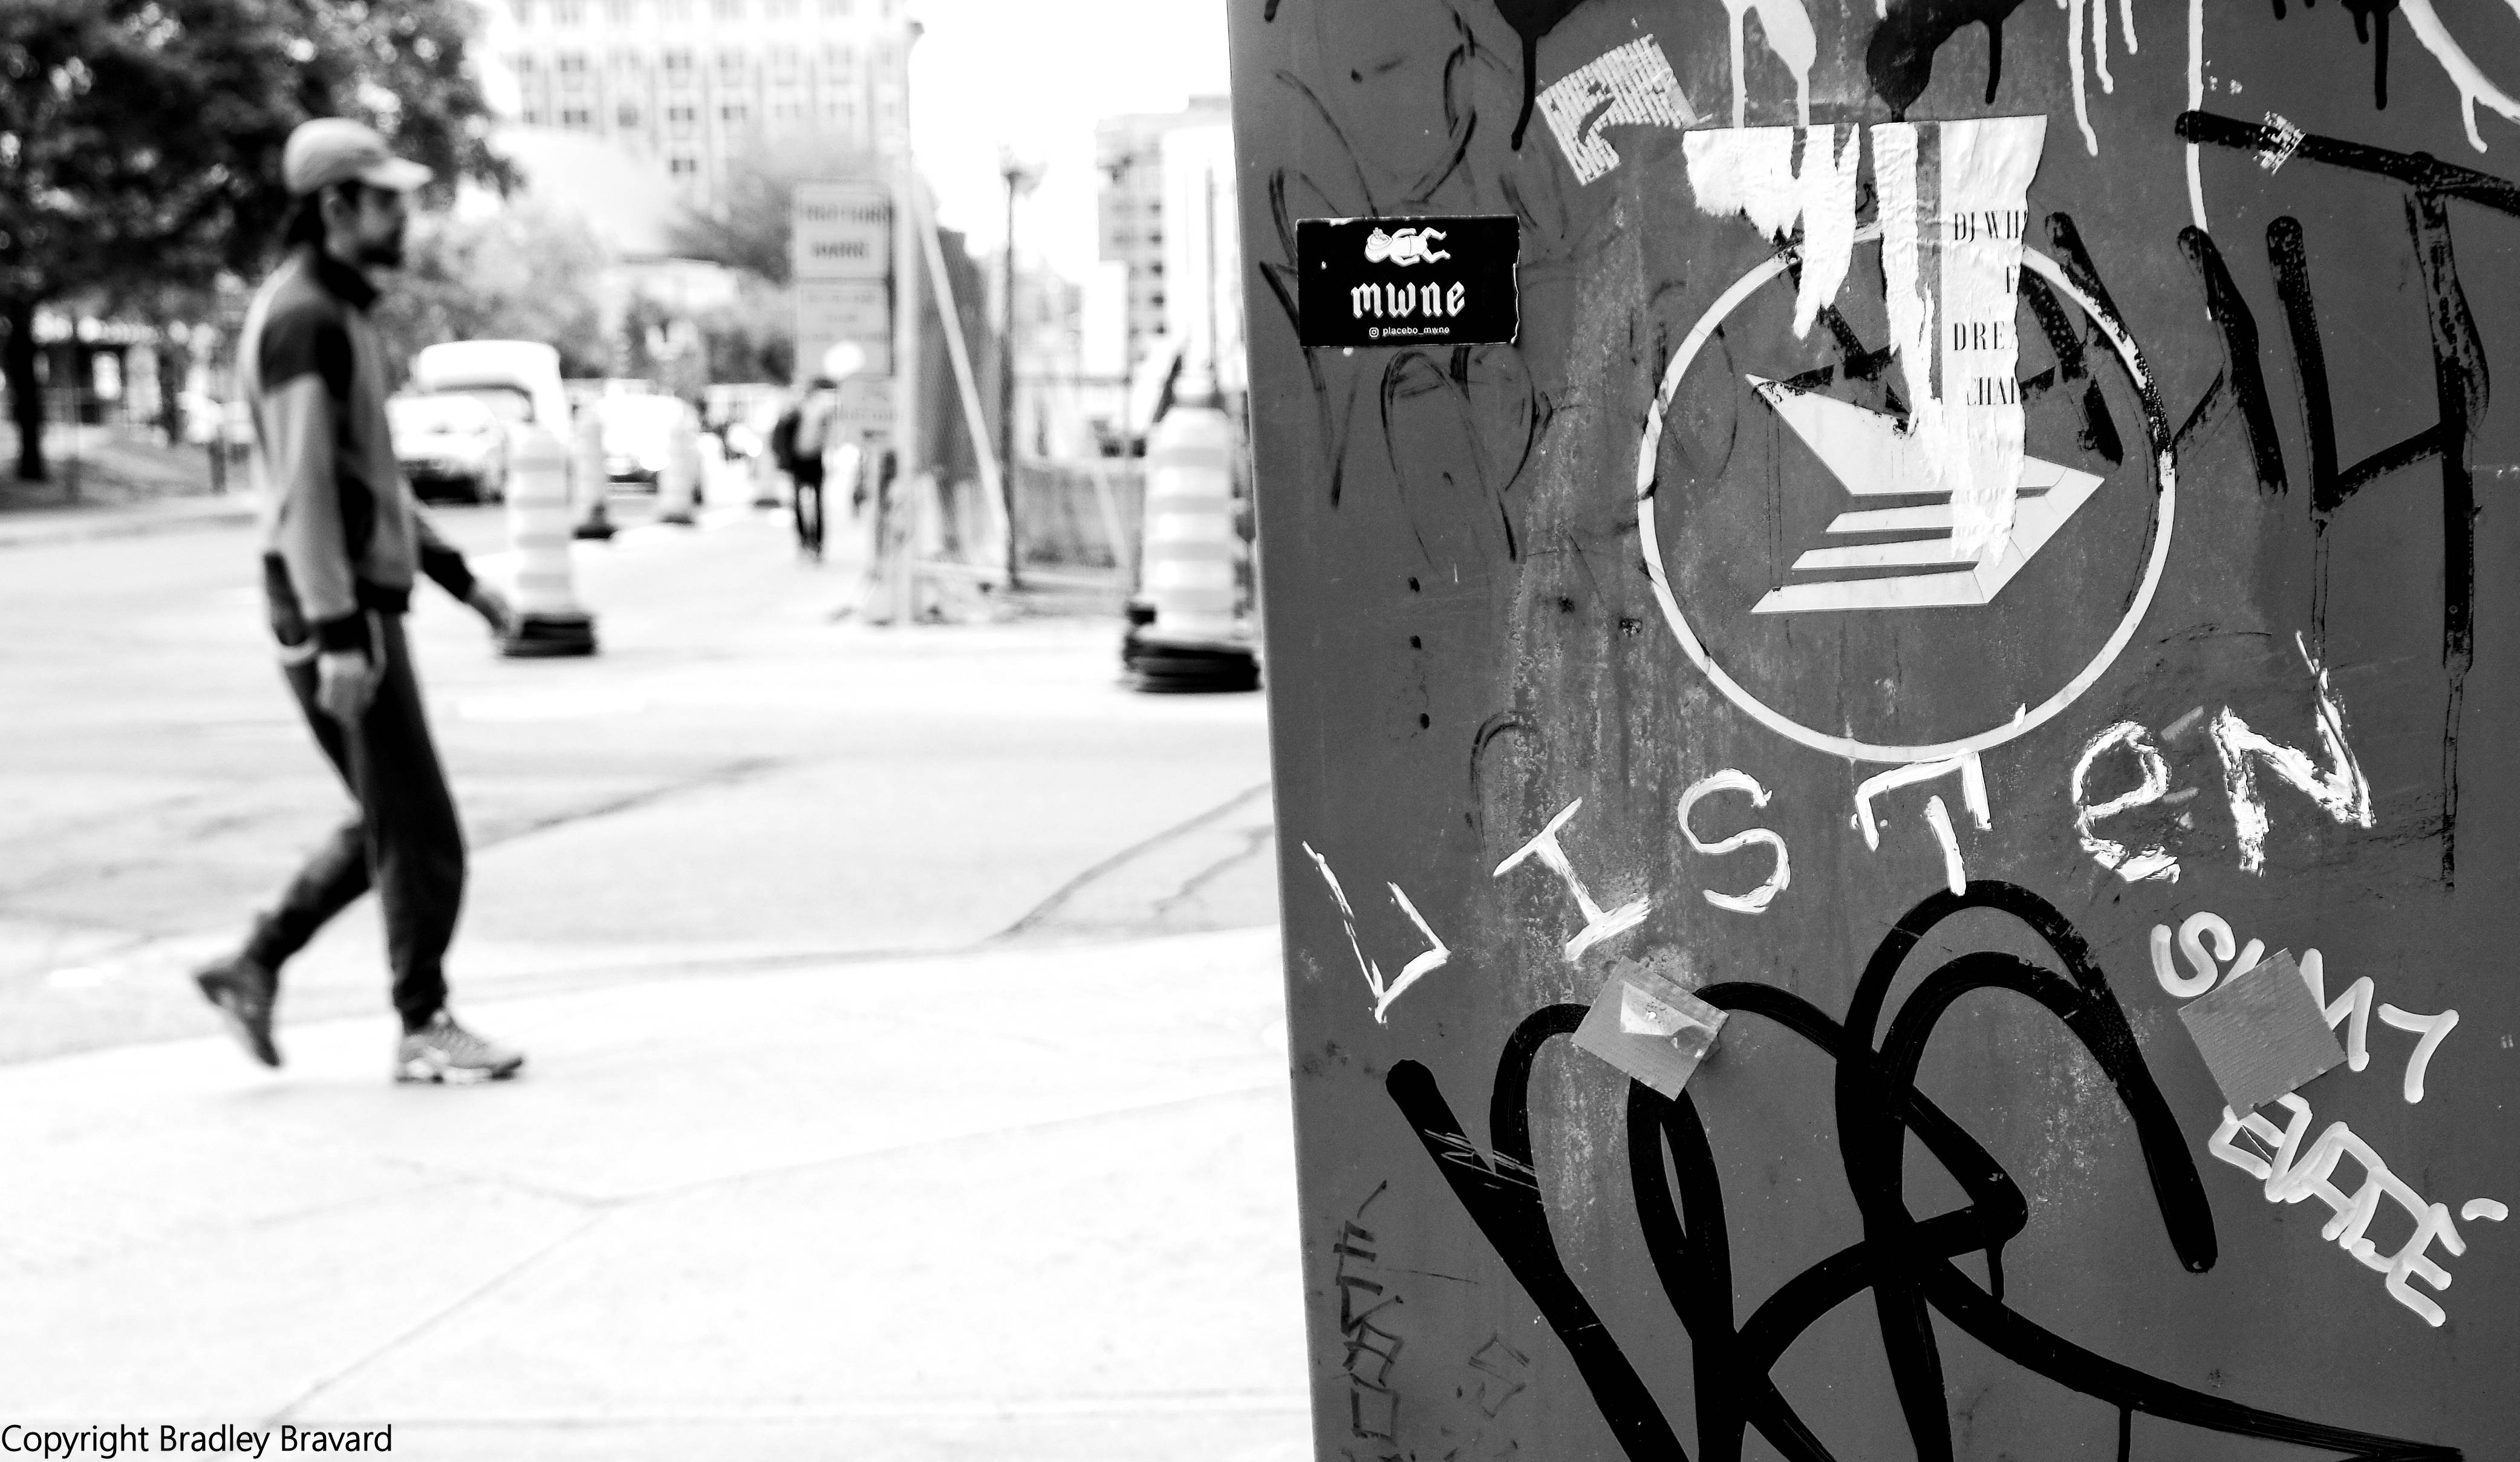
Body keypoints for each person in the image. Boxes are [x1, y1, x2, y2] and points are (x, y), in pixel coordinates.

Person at [189, 117, 526, 1084]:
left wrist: (462, 583)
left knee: (390, 816)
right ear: (334, 207)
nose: (402, 218)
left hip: (352, 605)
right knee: (421, 832)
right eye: (385, 202)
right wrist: (339, 634)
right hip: (337, 612)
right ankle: (422, 1023)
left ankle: (254, 964)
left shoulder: (336, 312)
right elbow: (304, 493)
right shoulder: (304, 321)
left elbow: (368, 482)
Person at [786, 376, 842, 558]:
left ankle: (816, 543)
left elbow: (829, 434)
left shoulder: (821, 409)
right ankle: (804, 541)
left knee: (817, 503)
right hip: (798, 460)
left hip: (815, 459)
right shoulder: (795, 407)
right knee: (798, 504)